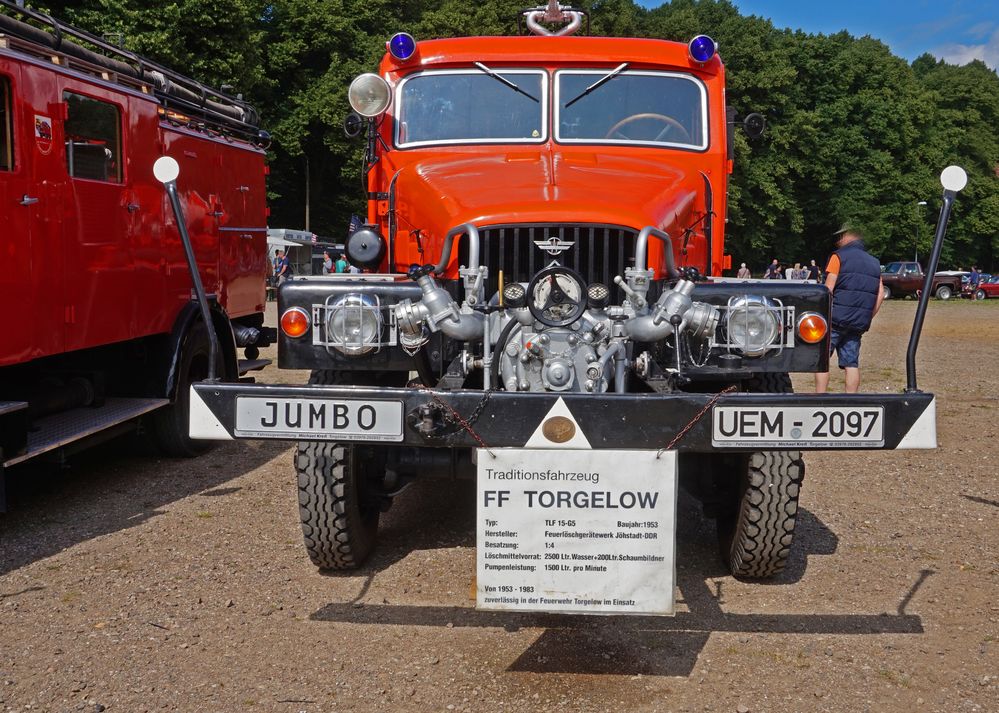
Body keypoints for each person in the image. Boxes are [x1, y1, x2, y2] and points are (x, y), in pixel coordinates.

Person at [815, 225, 885, 394]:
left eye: (840, 237)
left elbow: (827, 291)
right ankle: (851, 400)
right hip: (858, 322)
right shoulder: (875, 262)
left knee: (821, 360)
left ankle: (819, 397)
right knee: (851, 363)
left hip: (835, 320)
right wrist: (868, 316)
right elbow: (881, 294)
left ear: (848, 237)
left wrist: (821, 315)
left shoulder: (838, 257)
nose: (838, 241)